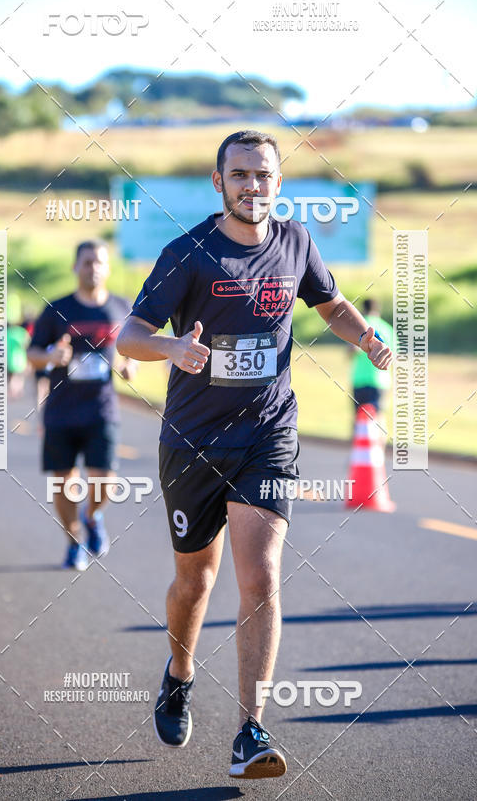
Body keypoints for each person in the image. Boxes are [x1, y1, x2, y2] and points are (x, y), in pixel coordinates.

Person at [117, 129, 392, 779]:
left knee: (261, 577)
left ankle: (250, 730)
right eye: (240, 174)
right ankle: (179, 673)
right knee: (195, 582)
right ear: (219, 183)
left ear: (277, 181)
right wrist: (172, 349)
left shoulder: (295, 241)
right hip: (193, 441)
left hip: (267, 435)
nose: (252, 185)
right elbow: (129, 336)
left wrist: (365, 338)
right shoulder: (188, 253)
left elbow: (332, 305)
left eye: (263, 174)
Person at [27, 240, 136, 570]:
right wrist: (51, 356)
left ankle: (92, 516)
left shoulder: (122, 307)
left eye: (99, 262)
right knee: (63, 483)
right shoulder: (57, 309)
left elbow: (133, 348)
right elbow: (32, 354)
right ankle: (74, 542)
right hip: (61, 411)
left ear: (108, 268)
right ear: (75, 267)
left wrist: (129, 366)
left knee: (105, 482)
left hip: (101, 409)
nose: (93, 268)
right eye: (87, 262)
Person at [350, 298, 394, 442]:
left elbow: (352, 350)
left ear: (363, 309)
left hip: (360, 379)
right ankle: (379, 451)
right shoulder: (387, 328)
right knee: (379, 417)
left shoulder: (360, 326)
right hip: (381, 381)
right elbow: (394, 355)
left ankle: (358, 450)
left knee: (358, 418)